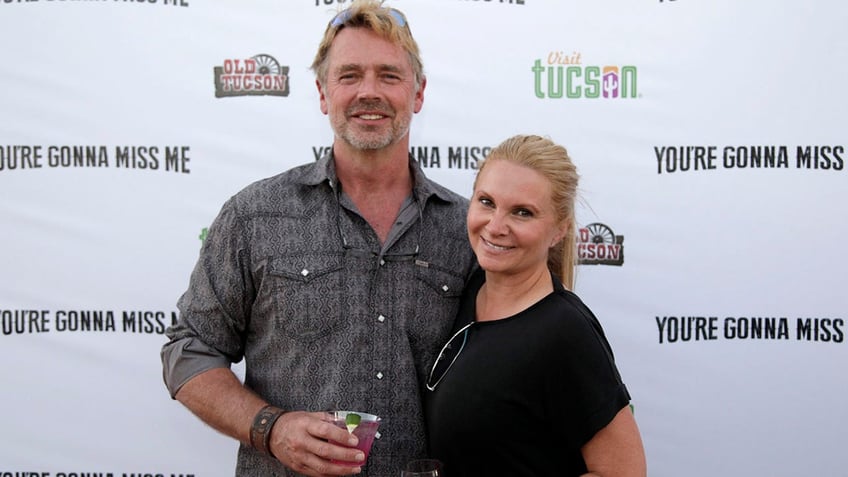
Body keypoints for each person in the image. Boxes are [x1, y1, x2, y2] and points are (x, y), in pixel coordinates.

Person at [160, 2, 475, 476]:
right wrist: (271, 427)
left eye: (389, 75)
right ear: (323, 93)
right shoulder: (255, 216)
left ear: (418, 93)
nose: (369, 91)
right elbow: (189, 352)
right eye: (350, 75)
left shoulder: (469, 230)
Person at [425, 134, 647, 476]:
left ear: (559, 231)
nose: (496, 226)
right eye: (486, 202)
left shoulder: (564, 331)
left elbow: (624, 472)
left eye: (522, 212)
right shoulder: (464, 291)